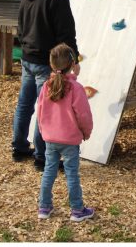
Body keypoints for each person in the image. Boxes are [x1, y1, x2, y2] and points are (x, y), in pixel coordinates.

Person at [13, 0, 79, 171]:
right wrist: (72, 58)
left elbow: (20, 28)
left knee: (25, 105)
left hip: (27, 59)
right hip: (45, 63)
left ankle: (20, 148)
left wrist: (26, 48)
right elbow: (66, 34)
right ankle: (42, 158)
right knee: (46, 110)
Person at [36, 43, 94, 222]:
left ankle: (44, 208)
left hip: (50, 139)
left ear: (52, 64)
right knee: (72, 174)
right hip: (70, 141)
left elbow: (39, 111)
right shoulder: (76, 88)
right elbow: (84, 115)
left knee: (48, 171)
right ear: (72, 64)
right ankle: (77, 210)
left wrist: (43, 130)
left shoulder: (47, 86)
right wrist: (86, 132)